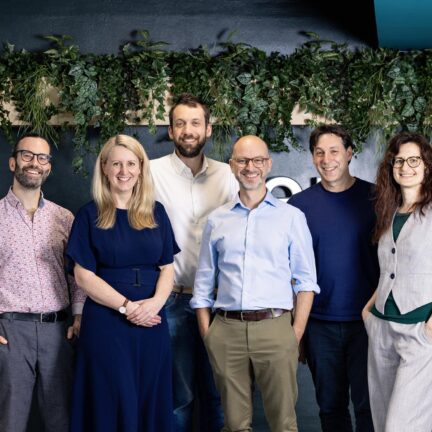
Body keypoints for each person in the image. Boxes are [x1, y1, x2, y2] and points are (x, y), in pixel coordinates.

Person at [191, 135, 319, 432]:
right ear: (232, 166)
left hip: (276, 328)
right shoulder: (217, 219)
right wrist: (208, 333)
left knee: (283, 424)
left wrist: (294, 333)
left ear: (268, 164)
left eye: (258, 160)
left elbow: (306, 281)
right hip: (226, 331)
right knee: (234, 425)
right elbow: (204, 282)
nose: (251, 167)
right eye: (243, 160)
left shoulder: (291, 217)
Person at [66, 134, 179, 432]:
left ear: (141, 168)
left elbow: (168, 268)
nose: (123, 171)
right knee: (110, 399)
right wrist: (127, 308)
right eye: (116, 163)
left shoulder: (157, 213)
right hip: (107, 321)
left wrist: (154, 304)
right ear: (104, 168)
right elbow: (83, 276)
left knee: (150, 396)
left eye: (131, 163)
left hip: (153, 319)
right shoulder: (88, 215)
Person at [150, 93, 237, 431]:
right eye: (181, 123)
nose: (188, 130)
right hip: (171, 299)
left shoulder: (228, 175)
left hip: (220, 301)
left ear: (208, 130)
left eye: (195, 123)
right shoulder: (151, 172)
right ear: (171, 131)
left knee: (219, 394)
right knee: (178, 397)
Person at [289, 125, 378, 432]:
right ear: (313, 157)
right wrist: (296, 326)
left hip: (367, 323)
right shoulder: (298, 207)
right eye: (319, 152)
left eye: (334, 151)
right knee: (330, 408)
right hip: (319, 325)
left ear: (350, 153)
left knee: (369, 407)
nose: (327, 159)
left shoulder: (376, 199)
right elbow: (291, 273)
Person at [0, 134, 85, 432]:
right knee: (10, 421)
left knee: (61, 420)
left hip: (58, 332)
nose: (34, 163)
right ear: (13, 162)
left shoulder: (64, 218)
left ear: (49, 167)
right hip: (10, 332)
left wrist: (77, 316)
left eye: (42, 158)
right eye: (27, 155)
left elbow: (76, 275)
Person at [362, 131, 432, 432]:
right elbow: (389, 269)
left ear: (427, 165)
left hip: (419, 331)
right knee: (382, 422)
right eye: (399, 160)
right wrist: (367, 312)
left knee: (401, 426)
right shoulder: (389, 213)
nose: (406, 166)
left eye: (414, 159)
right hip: (380, 328)